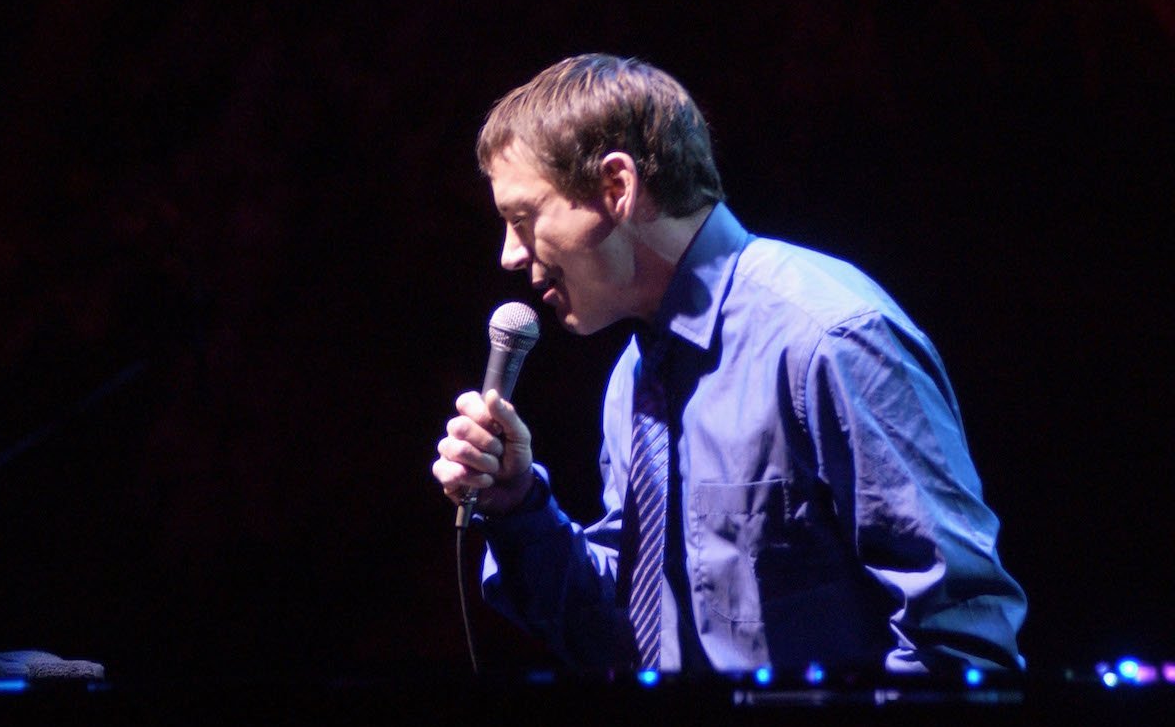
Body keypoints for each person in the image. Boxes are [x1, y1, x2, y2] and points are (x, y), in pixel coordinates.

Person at [432, 53, 1026, 677]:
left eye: (523, 218)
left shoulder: (827, 338)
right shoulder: (635, 379)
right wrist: (518, 504)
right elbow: (626, 636)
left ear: (616, 188)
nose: (508, 254)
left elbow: (958, 643)